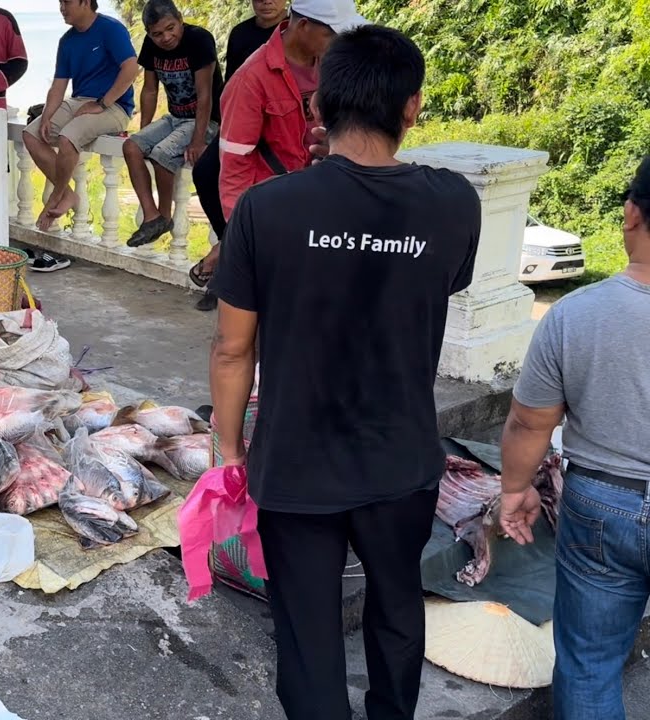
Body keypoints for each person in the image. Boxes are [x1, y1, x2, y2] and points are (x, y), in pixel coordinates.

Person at [210, 24, 482, 720]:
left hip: (295, 464)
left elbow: (233, 350)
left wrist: (230, 449)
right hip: (400, 460)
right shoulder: (455, 204)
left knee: (307, 636)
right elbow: (434, 282)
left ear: (317, 106)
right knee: (397, 609)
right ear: (412, 107)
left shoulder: (266, 209)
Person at [496, 159, 650, 720]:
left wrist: (514, 489)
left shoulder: (577, 314)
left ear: (631, 214)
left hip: (603, 504)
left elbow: (529, 423)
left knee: (589, 665)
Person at [193, 0, 338, 306]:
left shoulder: (329, 64)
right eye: (330, 33)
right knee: (269, 310)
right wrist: (241, 237)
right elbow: (234, 167)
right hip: (273, 212)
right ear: (304, 26)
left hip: (319, 204)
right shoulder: (250, 78)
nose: (337, 40)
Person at [189, 0, 285, 310]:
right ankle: (228, 252)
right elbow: (231, 86)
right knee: (205, 172)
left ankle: (227, 266)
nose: (266, 2)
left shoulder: (297, 32)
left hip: (281, 129)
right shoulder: (241, 33)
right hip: (242, 125)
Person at [21, 0, 137, 238]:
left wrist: (102, 103)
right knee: (31, 135)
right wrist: (47, 116)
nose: (62, 7)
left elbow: (131, 69)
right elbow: (58, 85)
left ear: (85, 2)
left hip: (115, 106)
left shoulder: (111, 29)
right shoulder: (67, 41)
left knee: (68, 138)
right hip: (79, 101)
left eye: (67, 1)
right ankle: (68, 194)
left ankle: (57, 196)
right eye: (60, 2)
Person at [123, 0, 222, 248]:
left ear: (180, 19)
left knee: (161, 154)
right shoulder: (151, 46)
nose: (166, 37)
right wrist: (145, 129)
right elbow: (149, 90)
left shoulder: (199, 40)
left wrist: (198, 140)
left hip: (206, 120)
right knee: (131, 147)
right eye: (157, 34)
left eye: (170, 28)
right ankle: (152, 216)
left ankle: (165, 217)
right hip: (175, 117)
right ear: (149, 33)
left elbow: (205, 95)